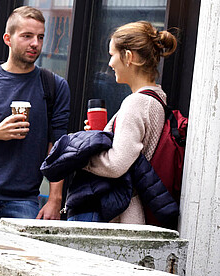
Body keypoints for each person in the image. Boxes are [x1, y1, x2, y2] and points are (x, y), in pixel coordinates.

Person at [0, 6, 71, 227]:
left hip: (24, 199)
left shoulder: (54, 86)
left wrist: (55, 198)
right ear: (8, 38)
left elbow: (57, 145)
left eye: (40, 37)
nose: (35, 43)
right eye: (27, 36)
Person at [70, 21, 178, 223]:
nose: (110, 63)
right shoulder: (156, 98)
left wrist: (79, 156)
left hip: (121, 214)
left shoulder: (136, 102)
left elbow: (116, 164)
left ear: (129, 57)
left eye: (112, 54)